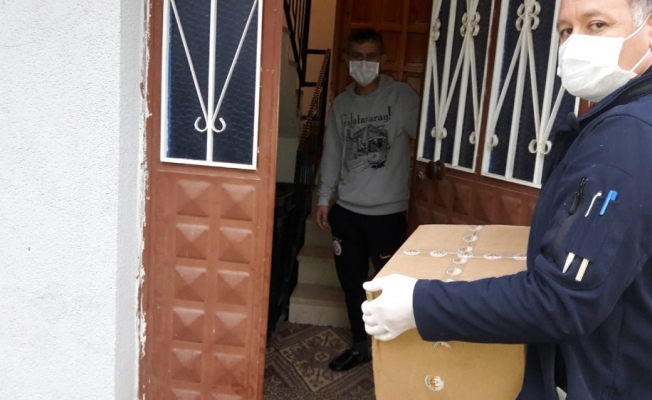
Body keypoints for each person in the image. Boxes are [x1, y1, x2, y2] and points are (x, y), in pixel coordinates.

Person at [361, 0, 652, 398]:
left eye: (597, 24)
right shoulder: (624, 123)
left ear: (648, 29)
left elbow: (562, 301)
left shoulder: (628, 137)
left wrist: (417, 304)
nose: (575, 43)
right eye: (565, 31)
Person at [315, 28, 420, 372]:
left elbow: (431, 136)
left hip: (387, 214)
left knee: (389, 287)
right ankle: (361, 346)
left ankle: (392, 352)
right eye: (357, 56)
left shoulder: (401, 97)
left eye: (371, 56)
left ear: (382, 59)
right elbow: (332, 153)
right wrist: (324, 197)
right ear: (347, 59)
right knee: (351, 285)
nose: (364, 63)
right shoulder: (342, 104)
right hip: (347, 212)